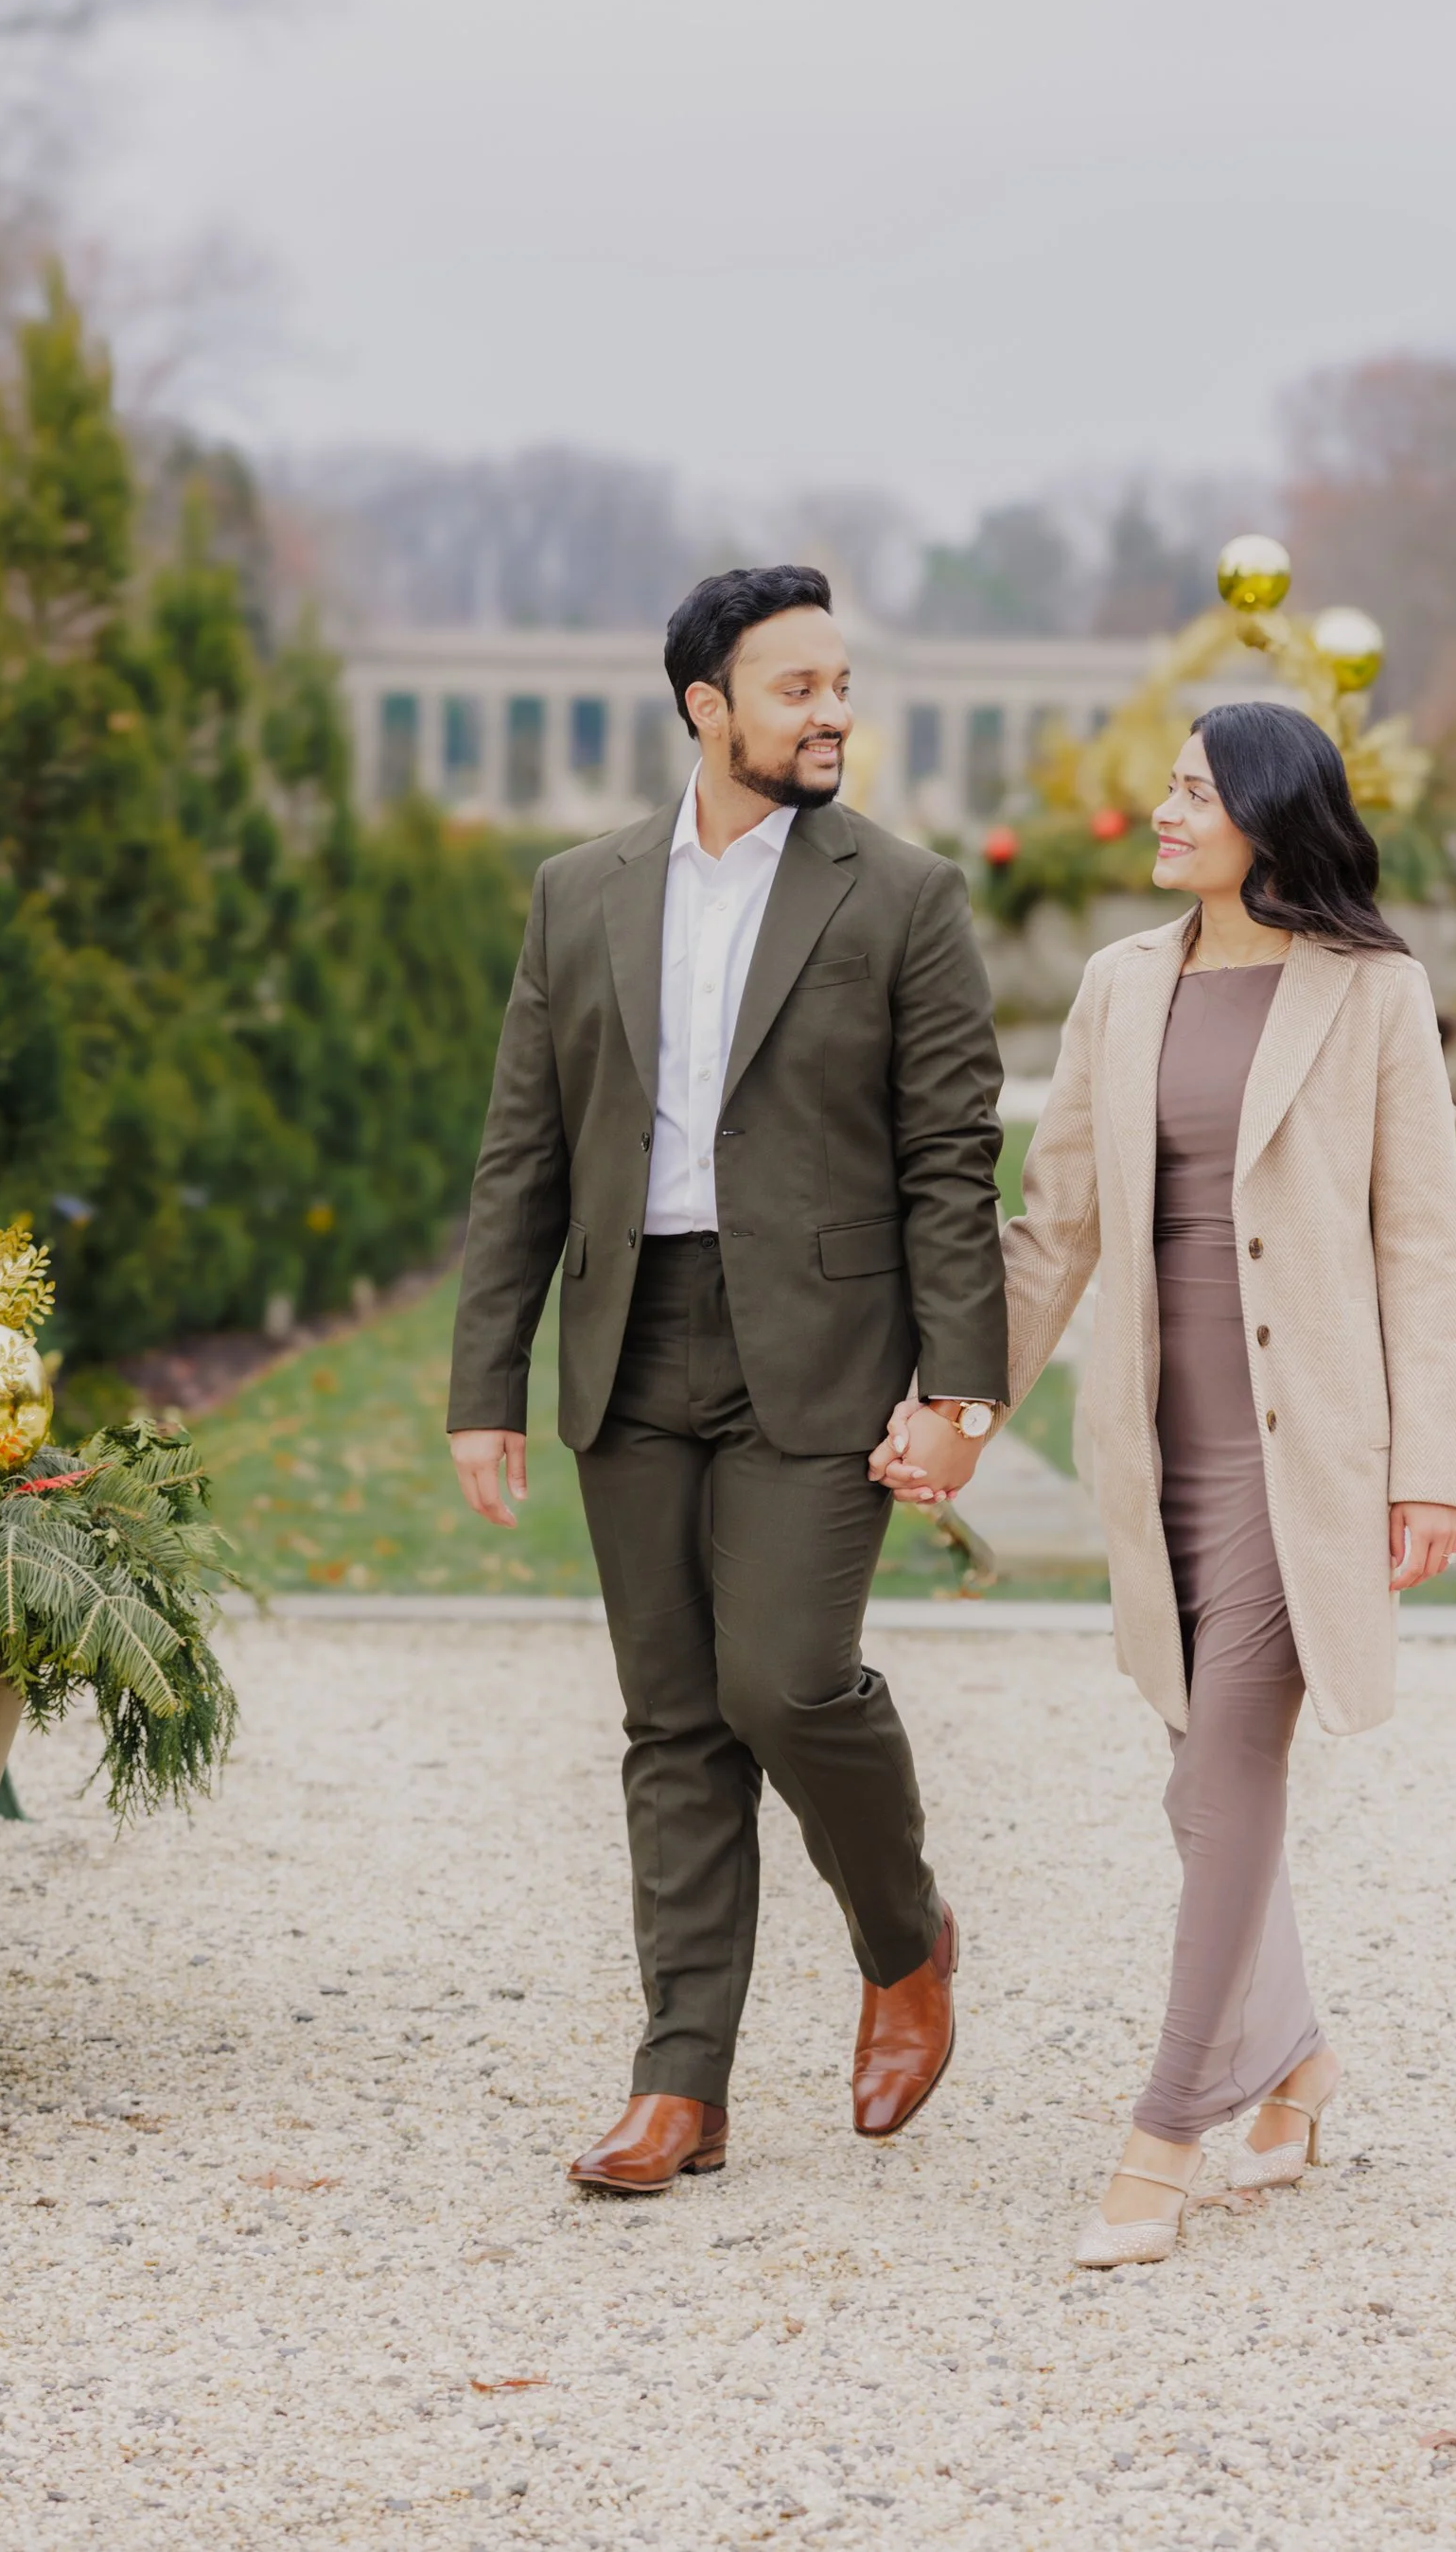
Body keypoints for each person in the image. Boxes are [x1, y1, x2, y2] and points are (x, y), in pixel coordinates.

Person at [879, 700, 1456, 2268]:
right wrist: (962, 1404)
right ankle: (1302, 2065)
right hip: (1157, 1450)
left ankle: (1165, 2136)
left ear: (1274, 812)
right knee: (1203, 1789)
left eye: (1196, 789)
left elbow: (1422, 1239)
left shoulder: (1375, 993)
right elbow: (1055, 1222)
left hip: (1310, 1462)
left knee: (1224, 1780)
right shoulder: (1120, 987)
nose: (1163, 807)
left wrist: (1431, 1470)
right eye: (1168, 785)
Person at [447, 566, 1009, 2194]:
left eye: (841, 685)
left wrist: (959, 1395)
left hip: (823, 1354)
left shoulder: (903, 897)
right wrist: (488, 1375)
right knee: (673, 1722)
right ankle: (679, 2083)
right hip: (632, 1338)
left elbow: (951, 1163)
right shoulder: (580, 892)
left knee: (783, 1681)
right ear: (706, 706)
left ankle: (907, 1941)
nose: (831, 713)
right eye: (796, 687)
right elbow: (522, 1152)